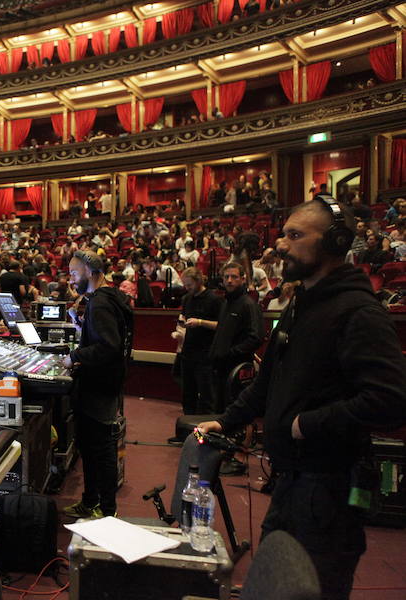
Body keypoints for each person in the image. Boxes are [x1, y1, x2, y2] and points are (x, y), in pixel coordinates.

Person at [198, 200, 406, 600]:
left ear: (335, 241)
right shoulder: (301, 304)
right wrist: (226, 421)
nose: (280, 245)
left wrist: (306, 424)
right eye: (283, 234)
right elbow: (267, 383)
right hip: (291, 483)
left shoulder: (357, 312)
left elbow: (390, 399)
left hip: (328, 491)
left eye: (295, 236)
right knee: (275, 581)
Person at [62, 250, 133, 520]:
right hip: (105, 383)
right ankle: (91, 501)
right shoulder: (107, 297)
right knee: (90, 447)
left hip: (99, 386)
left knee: (100, 450)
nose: (71, 279)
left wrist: (75, 357)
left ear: (91, 273)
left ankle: (104, 511)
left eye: (74, 273)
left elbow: (109, 347)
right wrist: (81, 326)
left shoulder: (100, 303)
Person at [207, 262, 263, 413]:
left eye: (234, 277)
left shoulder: (248, 304)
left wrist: (230, 353)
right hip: (220, 369)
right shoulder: (225, 303)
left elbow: (256, 337)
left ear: (243, 279)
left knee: (233, 413)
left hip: (237, 370)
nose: (229, 280)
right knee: (218, 411)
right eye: (226, 277)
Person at [173, 268, 222, 426]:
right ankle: (187, 429)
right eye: (185, 285)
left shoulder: (214, 299)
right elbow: (183, 319)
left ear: (199, 281)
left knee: (207, 395)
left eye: (190, 284)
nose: (187, 288)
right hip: (188, 352)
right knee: (188, 394)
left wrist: (200, 322)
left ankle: (207, 432)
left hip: (206, 353)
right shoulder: (187, 298)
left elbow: (221, 326)